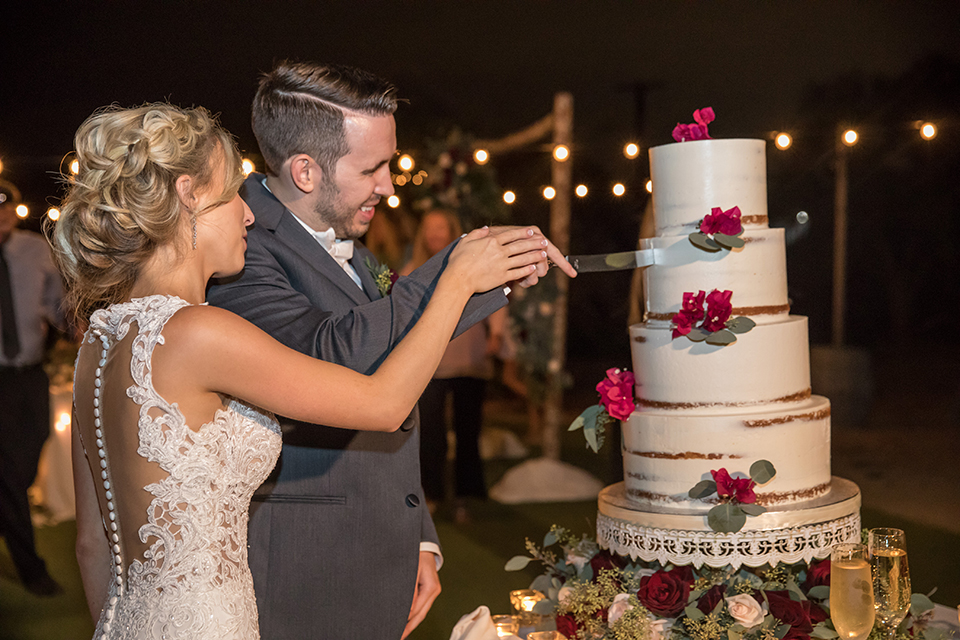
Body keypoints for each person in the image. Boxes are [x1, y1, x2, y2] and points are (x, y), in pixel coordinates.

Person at [56, 103, 550, 639]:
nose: (248, 215)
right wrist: (454, 284)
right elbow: (383, 405)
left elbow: (92, 545)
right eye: (231, 198)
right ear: (187, 196)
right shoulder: (201, 332)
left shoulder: (100, 342)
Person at [205, 61, 576, 639]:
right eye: (372, 168)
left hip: (379, 547)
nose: (388, 184)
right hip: (304, 573)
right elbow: (330, 359)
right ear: (305, 170)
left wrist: (418, 531)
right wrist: (457, 272)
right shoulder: (239, 249)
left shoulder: (355, 243)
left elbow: (395, 359)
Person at [401, 209, 505, 522]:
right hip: (431, 363)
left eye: (440, 227)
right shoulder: (414, 268)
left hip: (469, 359)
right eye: (429, 228)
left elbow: (497, 292)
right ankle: (430, 493)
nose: (434, 233)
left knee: (467, 431)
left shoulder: (469, 261)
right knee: (430, 430)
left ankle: (464, 497)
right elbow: (399, 303)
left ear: (451, 231)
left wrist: (497, 333)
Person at [0, 180, 66, 596]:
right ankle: (32, 569)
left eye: (7, 208)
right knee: (8, 474)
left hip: (30, 374)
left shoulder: (35, 250)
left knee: (26, 460)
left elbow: (60, 306)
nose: (1, 216)